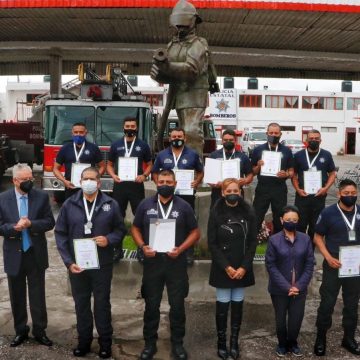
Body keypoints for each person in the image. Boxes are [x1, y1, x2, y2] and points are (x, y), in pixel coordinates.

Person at [55, 167, 126, 359]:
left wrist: (109, 239)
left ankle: (105, 343)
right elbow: (60, 234)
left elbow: (121, 230)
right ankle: (84, 342)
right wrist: (69, 262)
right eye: (85, 178)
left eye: (92, 179)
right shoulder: (70, 204)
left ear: (99, 182)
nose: (88, 182)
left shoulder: (111, 204)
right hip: (77, 266)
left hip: (102, 264)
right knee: (81, 304)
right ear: (80, 181)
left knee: (102, 303)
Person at [131, 169, 200, 360]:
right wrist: (142, 246)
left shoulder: (184, 206)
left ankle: (177, 344)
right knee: (151, 305)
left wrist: (181, 249)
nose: (165, 185)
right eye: (162, 181)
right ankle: (149, 344)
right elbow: (135, 228)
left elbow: (195, 233)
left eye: (169, 182)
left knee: (177, 306)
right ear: (156, 182)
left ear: (175, 184)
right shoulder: (145, 204)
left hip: (175, 262)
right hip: (152, 262)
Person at [150, 0, 217, 157]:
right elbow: (169, 73)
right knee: (181, 133)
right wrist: (158, 73)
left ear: (193, 21)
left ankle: (194, 170)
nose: (180, 27)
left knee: (191, 132)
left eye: (183, 22)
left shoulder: (198, 43)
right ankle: (181, 166)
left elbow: (191, 70)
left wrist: (166, 67)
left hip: (194, 94)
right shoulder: (171, 45)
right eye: (178, 23)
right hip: (178, 94)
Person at [0, 163, 55, 347]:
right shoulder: (3, 198)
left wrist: (31, 224)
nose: (29, 182)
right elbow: (0, 225)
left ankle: (40, 331)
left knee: (37, 295)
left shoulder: (40, 196)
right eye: (25, 180)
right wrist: (12, 228)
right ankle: (20, 331)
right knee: (17, 295)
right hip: (14, 253)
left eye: (31, 178)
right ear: (15, 180)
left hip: (35, 252)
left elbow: (49, 222)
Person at [207, 178, 257, 360]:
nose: (233, 193)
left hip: (242, 266)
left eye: (236, 190)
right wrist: (226, 266)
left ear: (241, 191)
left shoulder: (249, 211)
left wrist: (244, 267)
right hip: (223, 267)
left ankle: (234, 342)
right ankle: (221, 343)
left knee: (237, 305)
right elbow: (212, 243)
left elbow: (253, 242)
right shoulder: (216, 212)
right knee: (222, 305)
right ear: (222, 193)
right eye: (229, 191)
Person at [313, 179, 360, 357]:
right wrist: (328, 257)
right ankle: (321, 338)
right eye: (346, 193)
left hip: (355, 268)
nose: (350, 196)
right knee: (327, 303)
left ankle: (348, 338)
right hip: (333, 265)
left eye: (353, 193)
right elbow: (317, 237)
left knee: (352, 304)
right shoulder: (328, 213)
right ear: (339, 194)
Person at [265, 205, 314, 357]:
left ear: (298, 221)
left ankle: (293, 342)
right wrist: (287, 287)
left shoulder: (305, 239)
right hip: (279, 290)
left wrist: (298, 286)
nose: (291, 222)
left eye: (294, 219)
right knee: (280, 320)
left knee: (296, 319)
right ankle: (281, 344)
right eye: (288, 220)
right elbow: (271, 266)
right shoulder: (274, 240)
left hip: (299, 289)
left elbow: (309, 264)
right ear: (281, 220)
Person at [152, 127, 203, 265]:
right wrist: (159, 184)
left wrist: (196, 182)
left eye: (179, 136)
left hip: (186, 195)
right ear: (170, 138)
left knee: (188, 223)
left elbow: (200, 171)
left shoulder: (192, 154)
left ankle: (188, 253)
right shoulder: (162, 155)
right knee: (163, 219)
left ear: (185, 138)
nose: (177, 139)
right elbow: (154, 172)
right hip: (165, 195)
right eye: (174, 137)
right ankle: (161, 247)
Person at [107, 116, 152, 261]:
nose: (130, 129)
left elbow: (150, 164)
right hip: (119, 186)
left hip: (136, 186)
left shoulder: (143, 146)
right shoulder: (116, 145)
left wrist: (144, 175)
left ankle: (141, 248)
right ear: (123, 127)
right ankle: (117, 249)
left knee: (140, 217)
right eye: (128, 126)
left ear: (137, 128)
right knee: (117, 217)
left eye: (133, 126)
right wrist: (113, 175)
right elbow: (109, 164)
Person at [292, 129, 336, 240]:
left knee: (315, 227)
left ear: (320, 140)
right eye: (311, 138)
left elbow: (332, 173)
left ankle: (311, 254)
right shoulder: (298, 155)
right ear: (306, 140)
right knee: (300, 226)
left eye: (316, 138)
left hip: (319, 197)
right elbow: (294, 175)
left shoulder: (326, 155)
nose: (314, 140)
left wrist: (326, 188)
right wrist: (297, 189)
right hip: (302, 196)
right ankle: (300, 252)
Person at [252, 122, 294, 234]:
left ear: (280, 134)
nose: (273, 135)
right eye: (271, 133)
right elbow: (252, 172)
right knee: (256, 217)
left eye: (276, 133)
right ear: (267, 133)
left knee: (279, 219)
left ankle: (278, 246)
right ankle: (251, 248)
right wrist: (258, 166)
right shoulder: (258, 150)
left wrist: (286, 174)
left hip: (279, 188)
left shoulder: (286, 151)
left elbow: (291, 171)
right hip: (262, 188)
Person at [53, 122, 105, 199]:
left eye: (81, 132)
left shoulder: (93, 148)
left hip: (89, 187)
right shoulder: (65, 148)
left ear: (86, 133)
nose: (78, 134)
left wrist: (95, 179)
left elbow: (103, 166)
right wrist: (64, 181)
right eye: (76, 132)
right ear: (72, 133)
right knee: (71, 210)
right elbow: (55, 169)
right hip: (70, 186)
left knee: (89, 209)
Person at [209, 130, 253, 207]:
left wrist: (245, 180)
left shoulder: (243, 156)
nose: (228, 142)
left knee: (237, 217)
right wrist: (214, 184)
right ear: (222, 141)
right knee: (217, 217)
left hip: (236, 194)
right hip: (218, 194)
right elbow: (209, 177)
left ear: (235, 141)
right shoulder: (214, 155)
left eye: (231, 140)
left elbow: (250, 175)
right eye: (225, 140)